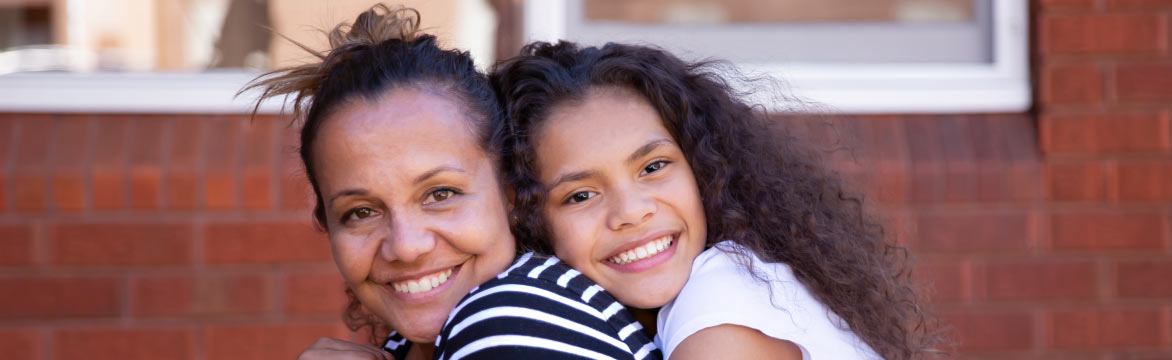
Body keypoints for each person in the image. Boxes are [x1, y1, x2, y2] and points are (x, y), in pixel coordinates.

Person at [244, 4, 658, 360]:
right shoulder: (432, 337)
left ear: (511, 193)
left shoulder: (509, 321)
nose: (406, 247)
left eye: (440, 194)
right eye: (361, 212)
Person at [489, 41, 943, 359]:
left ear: (703, 169)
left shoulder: (720, 302)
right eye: (581, 195)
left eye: (653, 167)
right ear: (529, 218)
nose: (631, 211)